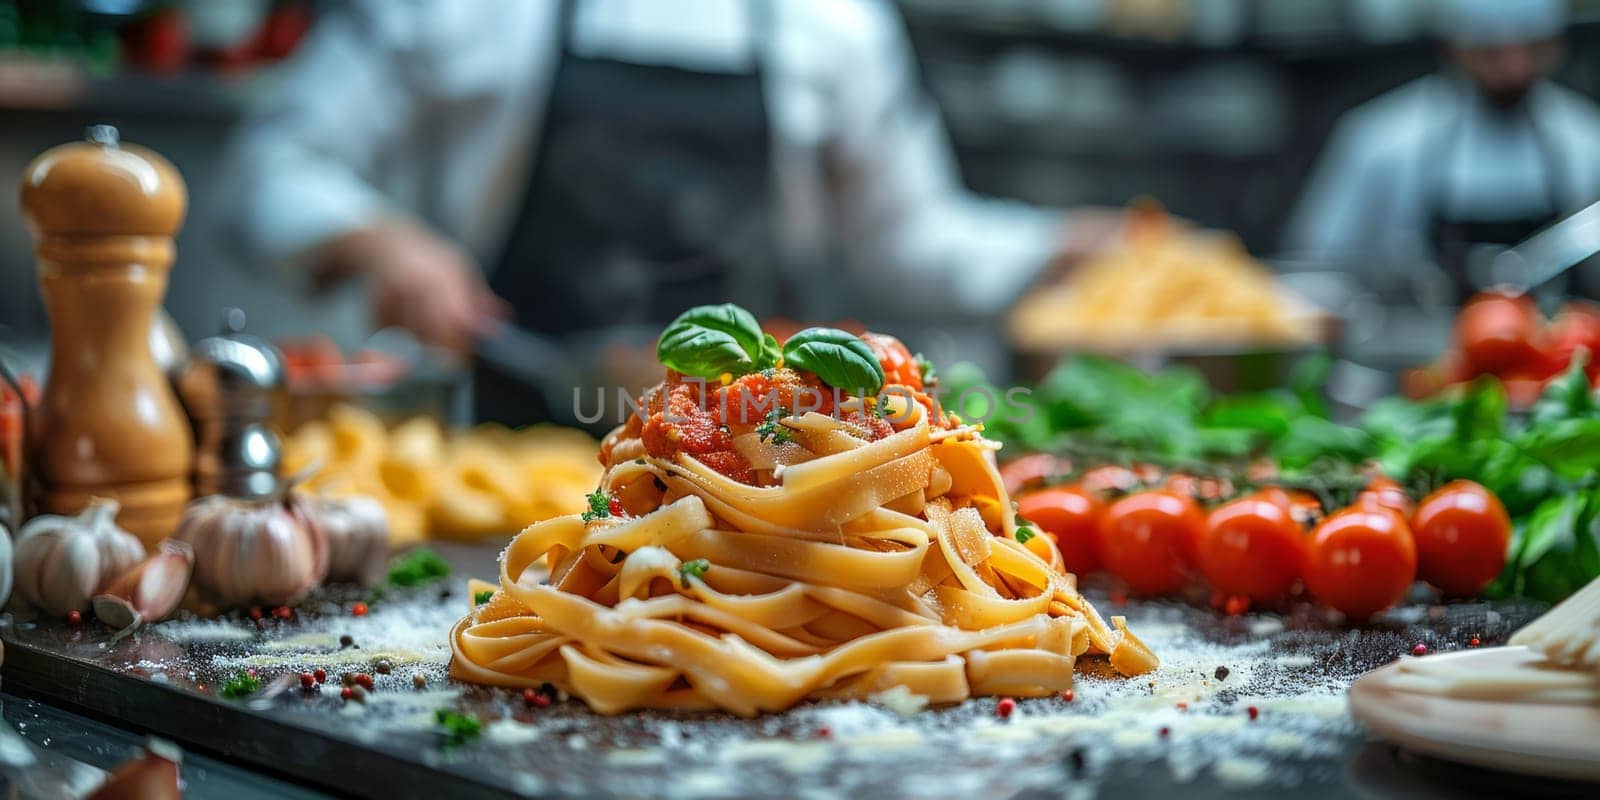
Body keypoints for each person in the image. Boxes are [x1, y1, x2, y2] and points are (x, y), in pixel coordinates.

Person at [214, 0, 1114, 423]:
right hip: (519, 440)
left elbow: (906, 237)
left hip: (760, 454)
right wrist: (383, 245)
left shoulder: (833, 24)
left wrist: (1059, 249)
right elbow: (271, 163)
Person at [1284, 0, 1600, 302]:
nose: (1513, 68)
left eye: (1529, 48)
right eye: (1491, 52)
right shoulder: (1382, 143)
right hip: (1412, 351)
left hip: (1559, 350)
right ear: (1454, 46)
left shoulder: (1587, 141)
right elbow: (1313, 272)